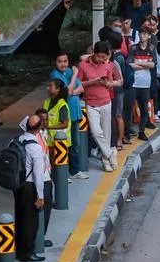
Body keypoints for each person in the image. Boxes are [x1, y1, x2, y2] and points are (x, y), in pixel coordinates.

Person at [14, 115, 51, 262]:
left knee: (20, 218)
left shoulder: (16, 141)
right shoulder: (35, 147)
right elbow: (38, 174)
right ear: (38, 128)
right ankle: (27, 252)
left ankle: (19, 249)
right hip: (30, 187)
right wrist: (40, 196)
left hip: (18, 185)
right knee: (30, 222)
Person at [77, 41, 120, 172]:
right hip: (90, 103)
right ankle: (110, 153)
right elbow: (78, 85)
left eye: (104, 57)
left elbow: (119, 80)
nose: (102, 59)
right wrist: (92, 82)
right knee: (96, 132)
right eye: (100, 56)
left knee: (106, 133)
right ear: (93, 53)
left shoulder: (109, 65)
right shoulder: (83, 65)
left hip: (106, 101)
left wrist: (109, 84)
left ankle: (106, 161)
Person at [49, 53, 88, 179]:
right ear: (55, 62)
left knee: (75, 143)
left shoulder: (69, 71)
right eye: (60, 61)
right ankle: (64, 172)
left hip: (75, 112)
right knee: (65, 143)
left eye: (65, 61)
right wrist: (75, 76)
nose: (63, 64)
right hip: (65, 114)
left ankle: (74, 171)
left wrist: (72, 92)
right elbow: (67, 92)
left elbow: (81, 88)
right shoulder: (56, 75)